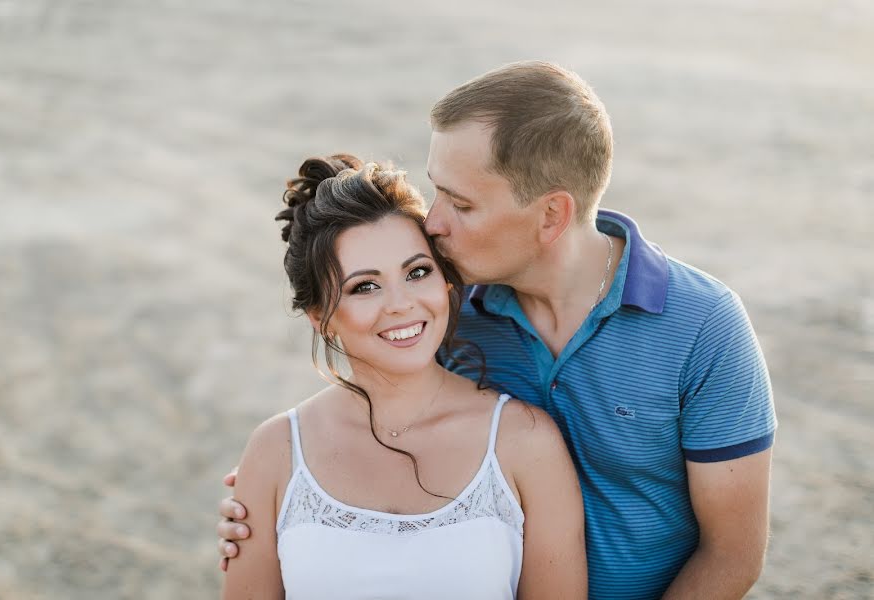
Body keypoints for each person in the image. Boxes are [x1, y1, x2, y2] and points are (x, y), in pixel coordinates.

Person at [219, 62, 777, 599]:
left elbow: (732, 555)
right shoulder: (447, 308)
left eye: (461, 204)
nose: (432, 222)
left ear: (551, 217)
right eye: (438, 190)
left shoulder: (705, 327)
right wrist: (281, 507)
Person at [220, 154, 587, 599]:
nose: (401, 304)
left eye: (417, 272)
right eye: (365, 286)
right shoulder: (276, 451)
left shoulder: (526, 442)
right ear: (321, 317)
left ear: (447, 286)